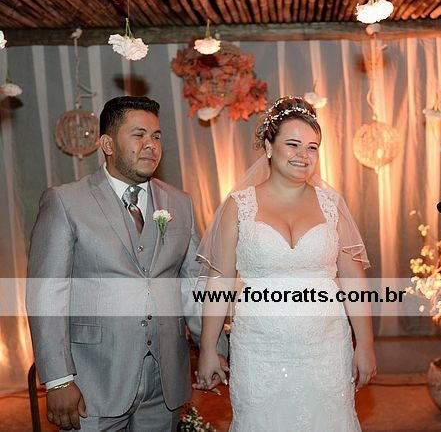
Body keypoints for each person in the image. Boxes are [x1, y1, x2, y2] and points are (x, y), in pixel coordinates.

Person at [27, 96, 227, 431]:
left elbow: (193, 285)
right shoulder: (65, 201)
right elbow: (46, 293)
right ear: (107, 144)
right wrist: (59, 379)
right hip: (93, 380)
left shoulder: (180, 203)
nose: (151, 145)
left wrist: (212, 348)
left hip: (165, 382)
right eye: (138, 135)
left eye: (157, 136)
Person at [195, 96, 377, 431]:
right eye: (293, 144)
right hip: (258, 350)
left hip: (326, 348)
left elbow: (354, 281)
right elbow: (219, 281)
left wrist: (365, 344)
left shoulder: (332, 204)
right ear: (269, 146)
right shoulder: (239, 205)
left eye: (312, 147)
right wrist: (208, 349)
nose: (303, 155)